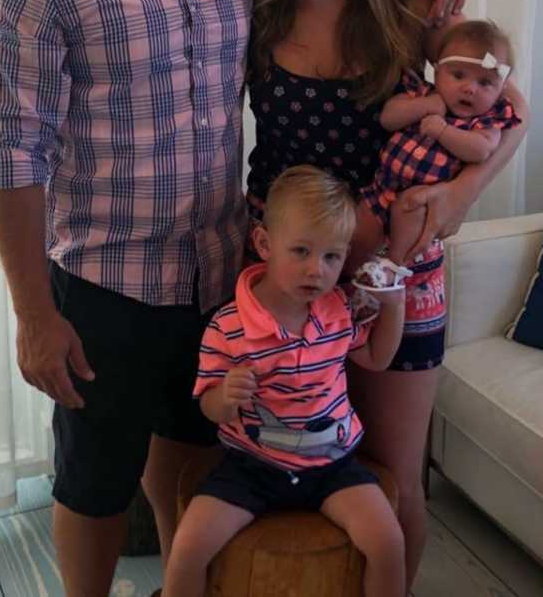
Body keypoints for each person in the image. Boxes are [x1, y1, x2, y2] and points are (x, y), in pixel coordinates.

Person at [0, 0, 462, 597]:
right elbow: (12, 151)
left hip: (220, 270)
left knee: (192, 460)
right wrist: (33, 313)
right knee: (93, 481)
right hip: (106, 283)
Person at [245, 0, 529, 588]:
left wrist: (462, 195)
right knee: (286, 460)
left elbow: (514, 111)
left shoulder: (407, 23)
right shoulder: (256, 9)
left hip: (394, 269)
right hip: (285, 271)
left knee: (395, 474)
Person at [164, 165, 407, 597]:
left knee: (387, 541)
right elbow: (207, 404)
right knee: (187, 547)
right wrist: (226, 396)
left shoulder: (338, 310)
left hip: (331, 467)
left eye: (332, 257)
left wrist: (395, 305)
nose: (316, 270)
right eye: (300, 251)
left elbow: (376, 356)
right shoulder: (230, 324)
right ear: (264, 244)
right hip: (250, 468)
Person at [355, 19, 522, 267]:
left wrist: (444, 131)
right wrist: (422, 107)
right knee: (356, 237)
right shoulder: (423, 94)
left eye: (485, 83)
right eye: (458, 75)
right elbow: (388, 118)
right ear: (438, 72)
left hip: (423, 199)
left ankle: (394, 265)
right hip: (382, 185)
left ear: (500, 91)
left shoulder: (487, 121)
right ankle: (357, 275)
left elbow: (481, 150)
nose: (469, 89)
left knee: (410, 209)